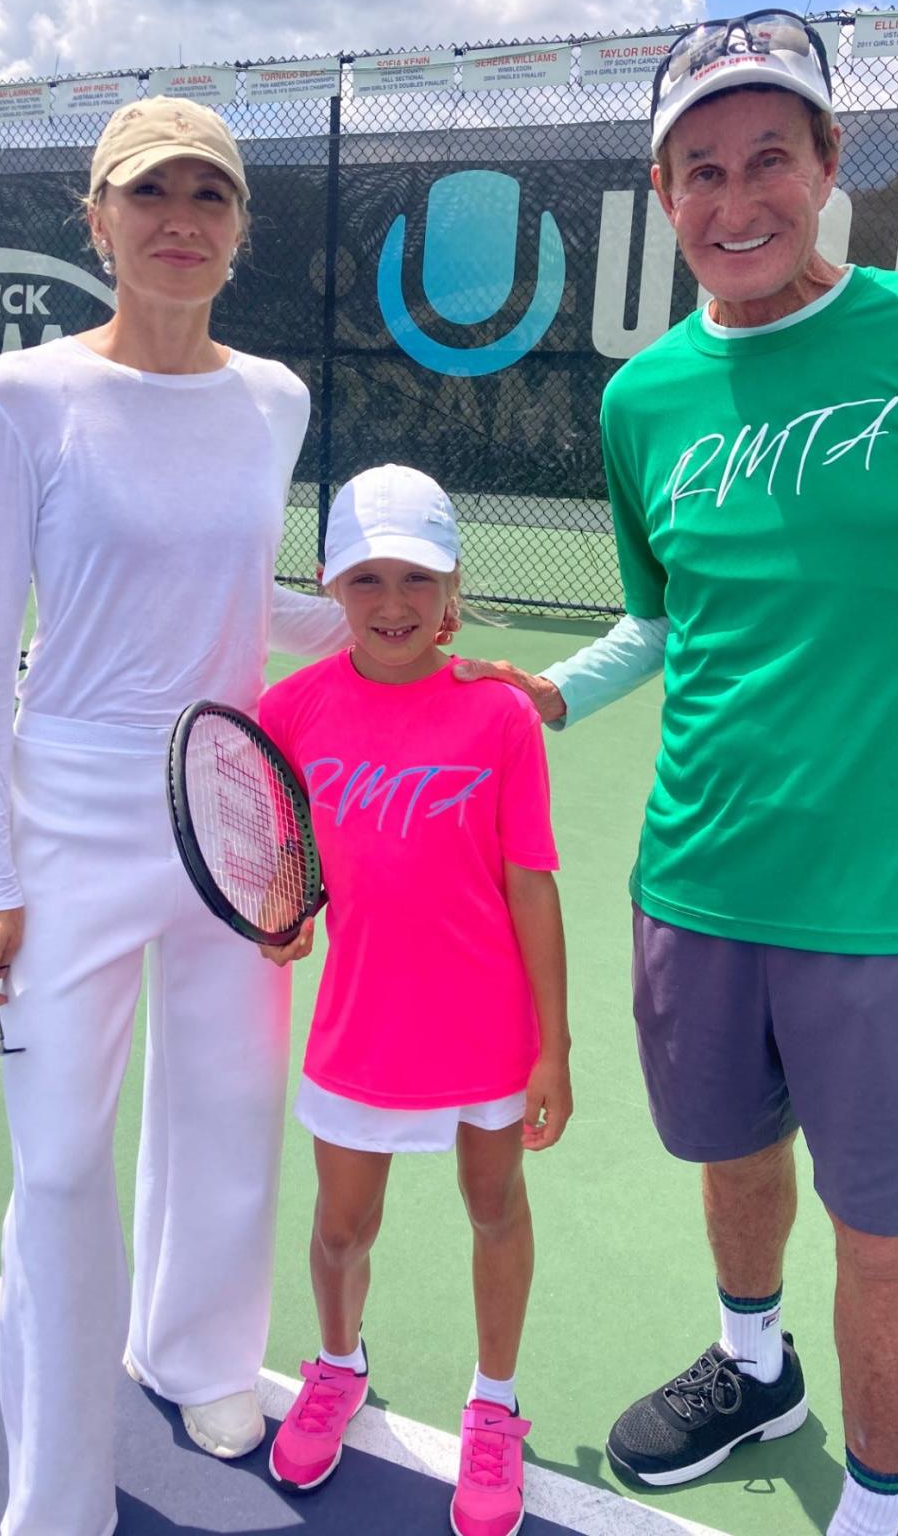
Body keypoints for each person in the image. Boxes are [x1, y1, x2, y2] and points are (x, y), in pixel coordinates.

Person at [456, 10, 898, 1536]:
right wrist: (543, 696)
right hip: (695, 882)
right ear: (660, 193)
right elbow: (658, 621)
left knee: (881, 1233)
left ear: (828, 164)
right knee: (732, 1162)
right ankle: (757, 1370)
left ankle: (869, 1511)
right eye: (700, 170)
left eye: (767, 158)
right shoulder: (641, 401)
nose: (734, 200)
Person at [0, 96, 353, 1536]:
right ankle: (54, 1489)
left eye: (209, 196)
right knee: (58, 1161)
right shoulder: (23, 399)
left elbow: (244, 599)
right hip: (67, 815)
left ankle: (197, 1357)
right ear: (99, 217)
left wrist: (388, 629)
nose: (180, 218)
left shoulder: (275, 402)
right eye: (149, 194)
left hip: (232, 804)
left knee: (228, 1110)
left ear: (239, 231)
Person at [256, 464, 572, 1536]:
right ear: (329, 585)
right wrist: (284, 900)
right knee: (343, 1227)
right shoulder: (289, 707)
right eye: (367, 579)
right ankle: (337, 1364)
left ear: (453, 590)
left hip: (489, 1032)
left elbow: (531, 883)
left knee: (496, 1209)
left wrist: (555, 1048)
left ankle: (495, 1406)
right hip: (361, 1027)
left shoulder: (499, 720)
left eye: (417, 580)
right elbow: (284, 850)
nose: (393, 606)